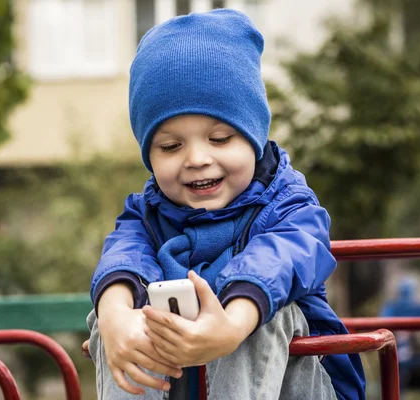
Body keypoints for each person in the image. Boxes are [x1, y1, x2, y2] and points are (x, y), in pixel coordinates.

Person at [85, 8, 366, 400]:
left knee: (255, 308)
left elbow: (283, 256)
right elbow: (124, 256)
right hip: (189, 385)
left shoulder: (290, 205)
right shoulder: (146, 215)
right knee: (119, 309)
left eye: (219, 139)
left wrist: (232, 324)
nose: (197, 158)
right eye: (171, 146)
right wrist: (114, 315)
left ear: (253, 138)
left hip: (297, 386)